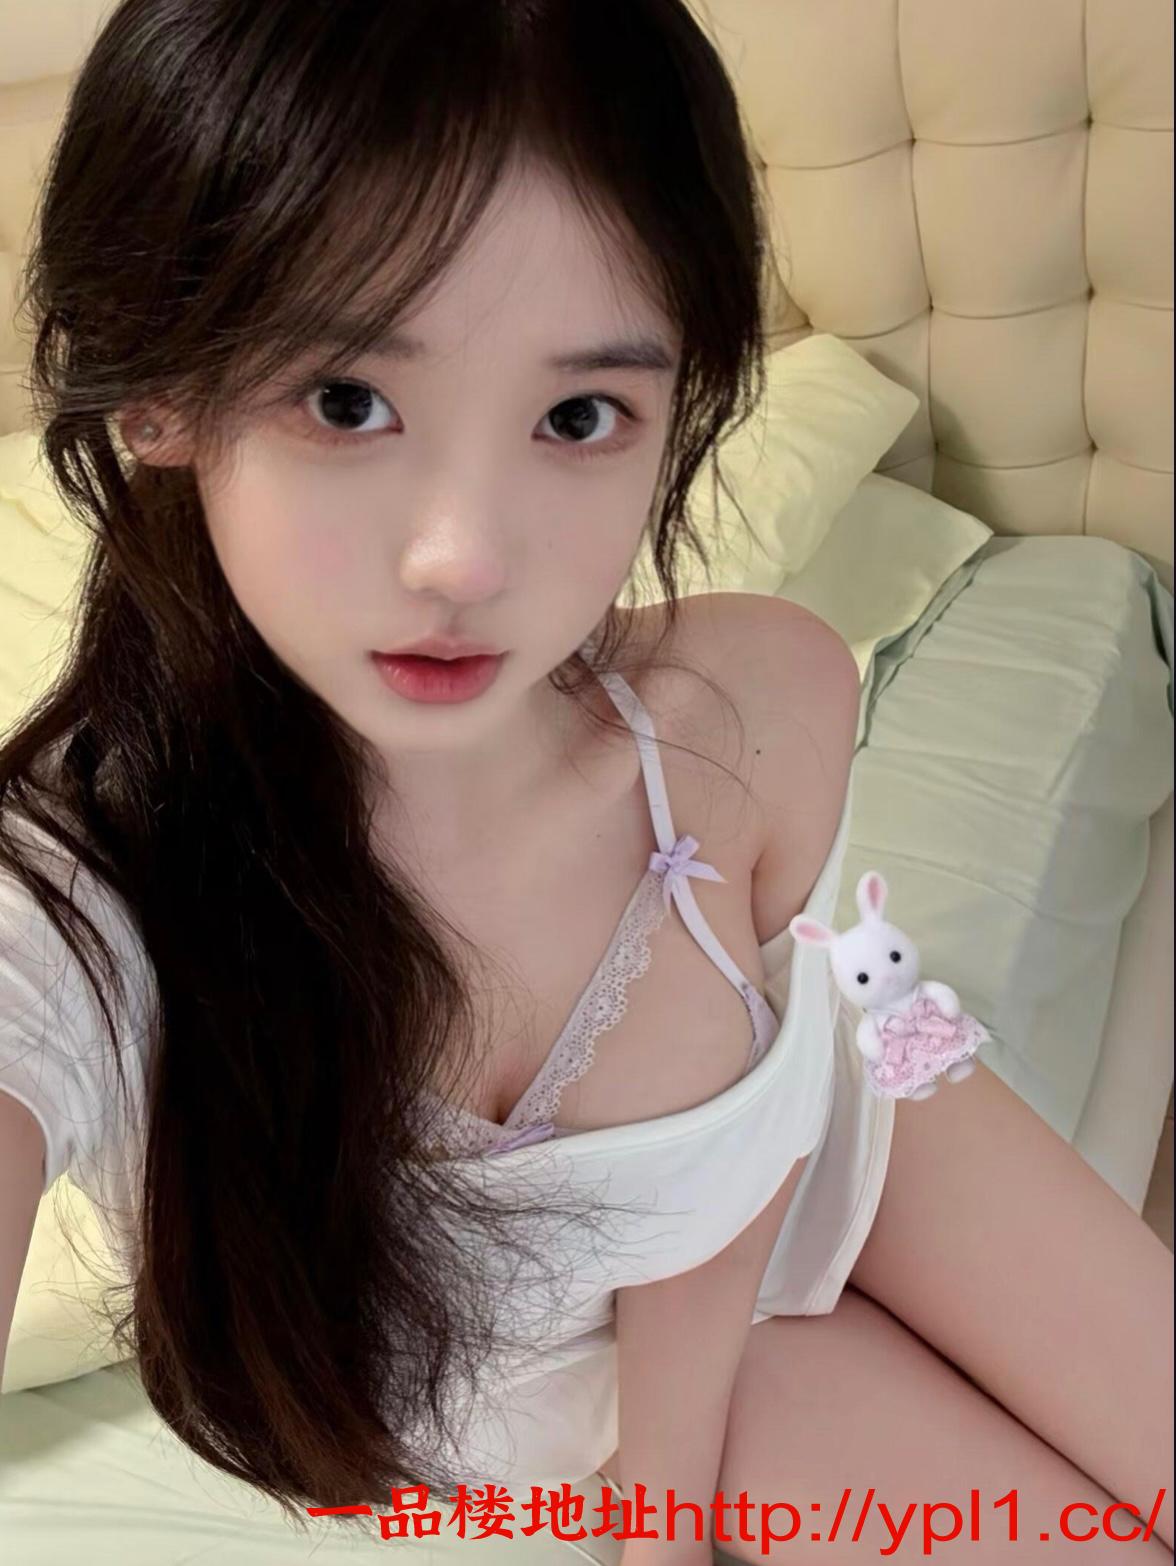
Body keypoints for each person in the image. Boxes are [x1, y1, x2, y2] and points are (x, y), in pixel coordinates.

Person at [0, 1, 1171, 1560]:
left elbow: (747, 1138)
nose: (465, 557)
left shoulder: (755, 705)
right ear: (159, 391)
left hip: (849, 1132)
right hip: (571, 1389)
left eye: (577, 416)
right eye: (346, 400)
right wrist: (652, 1502)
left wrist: (669, 1504)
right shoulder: (72, 903)